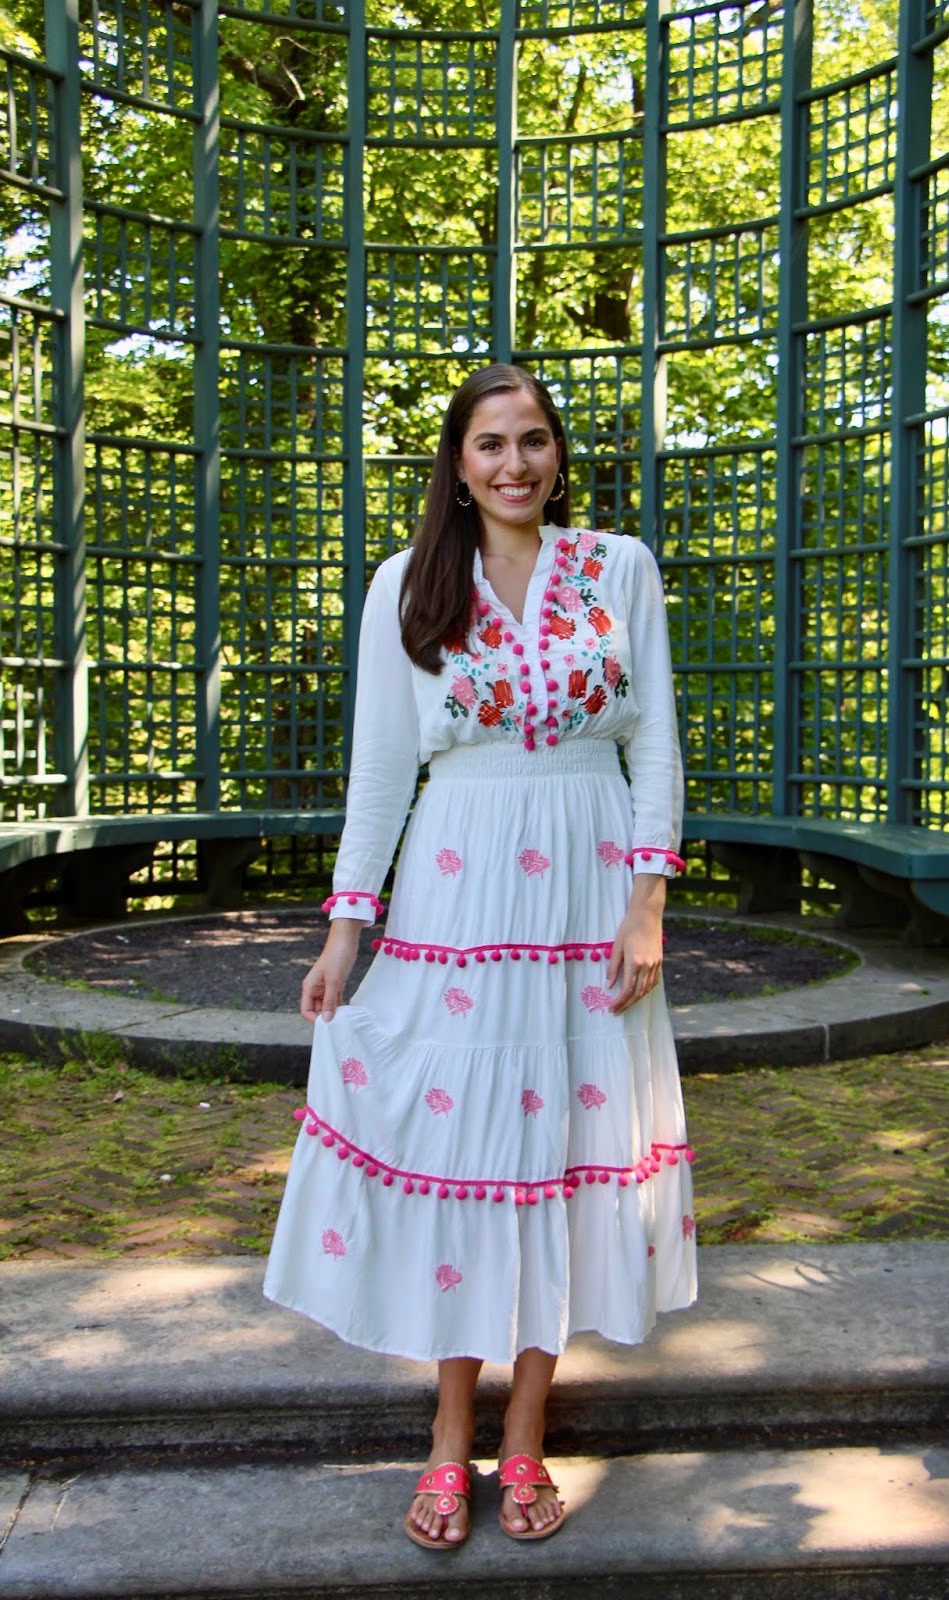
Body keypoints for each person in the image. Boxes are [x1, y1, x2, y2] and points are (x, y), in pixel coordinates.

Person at [264, 363, 697, 1550]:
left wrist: (647, 901)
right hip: (460, 887)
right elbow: (379, 770)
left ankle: (528, 1433)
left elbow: (657, 738)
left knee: (565, 1148)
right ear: (457, 464)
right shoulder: (407, 583)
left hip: (590, 880)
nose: (515, 463)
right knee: (466, 1144)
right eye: (491, 443)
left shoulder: (619, 567)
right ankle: (449, 1435)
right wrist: (346, 930)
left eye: (534, 440)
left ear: (558, 456)